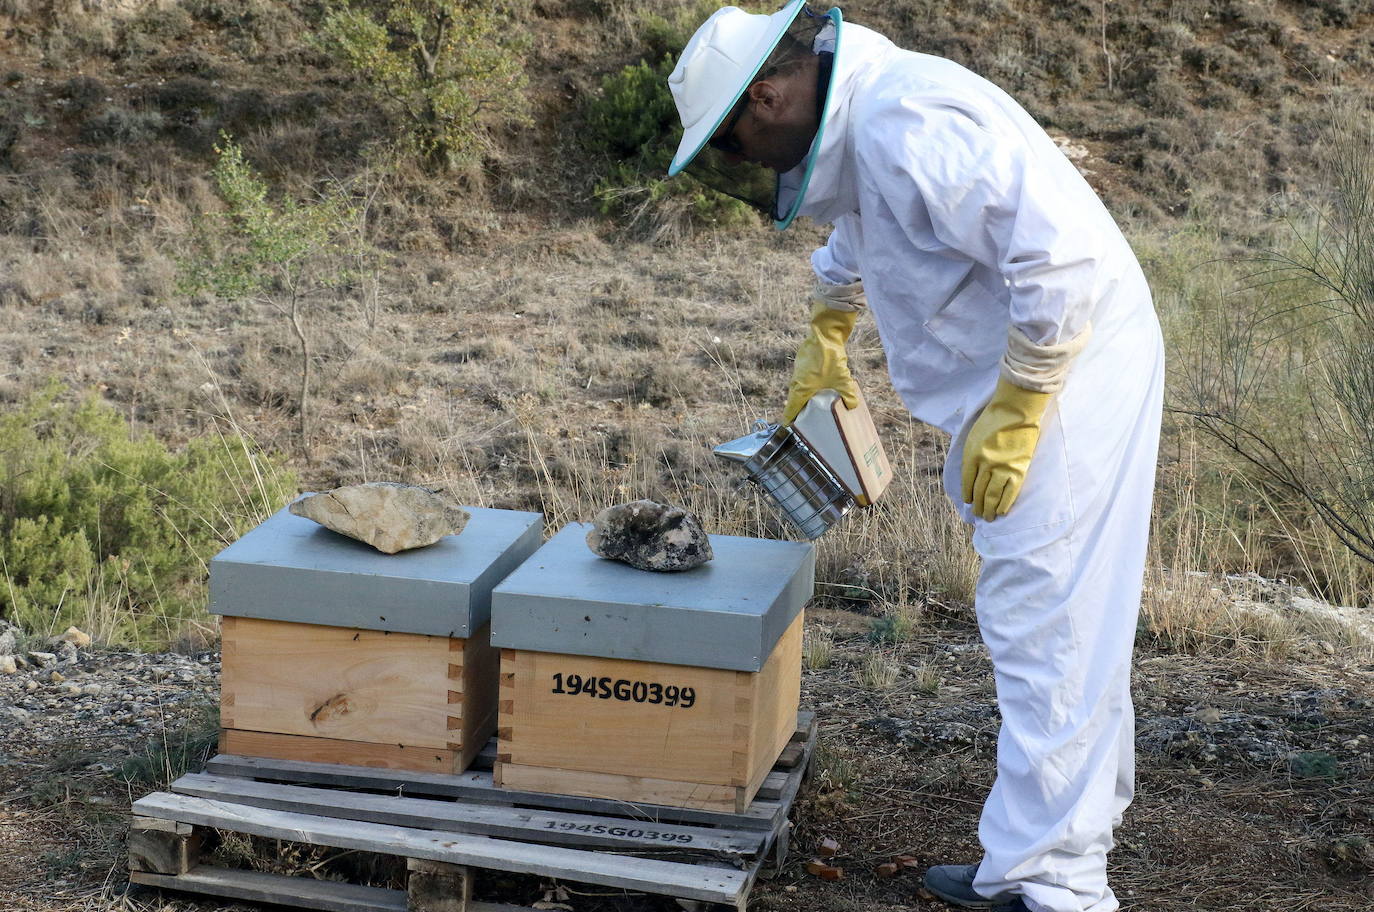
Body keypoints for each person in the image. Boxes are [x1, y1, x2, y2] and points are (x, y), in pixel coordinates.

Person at [664, 4, 1165, 912]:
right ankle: (1042, 854)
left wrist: (1022, 403)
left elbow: (1060, 261)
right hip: (1033, 376)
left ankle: (1057, 890)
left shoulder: (905, 117)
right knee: (1063, 622)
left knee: (1044, 618)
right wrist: (829, 326)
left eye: (732, 144)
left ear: (769, 96)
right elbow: (869, 227)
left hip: (1069, 376)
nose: (741, 165)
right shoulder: (870, 122)